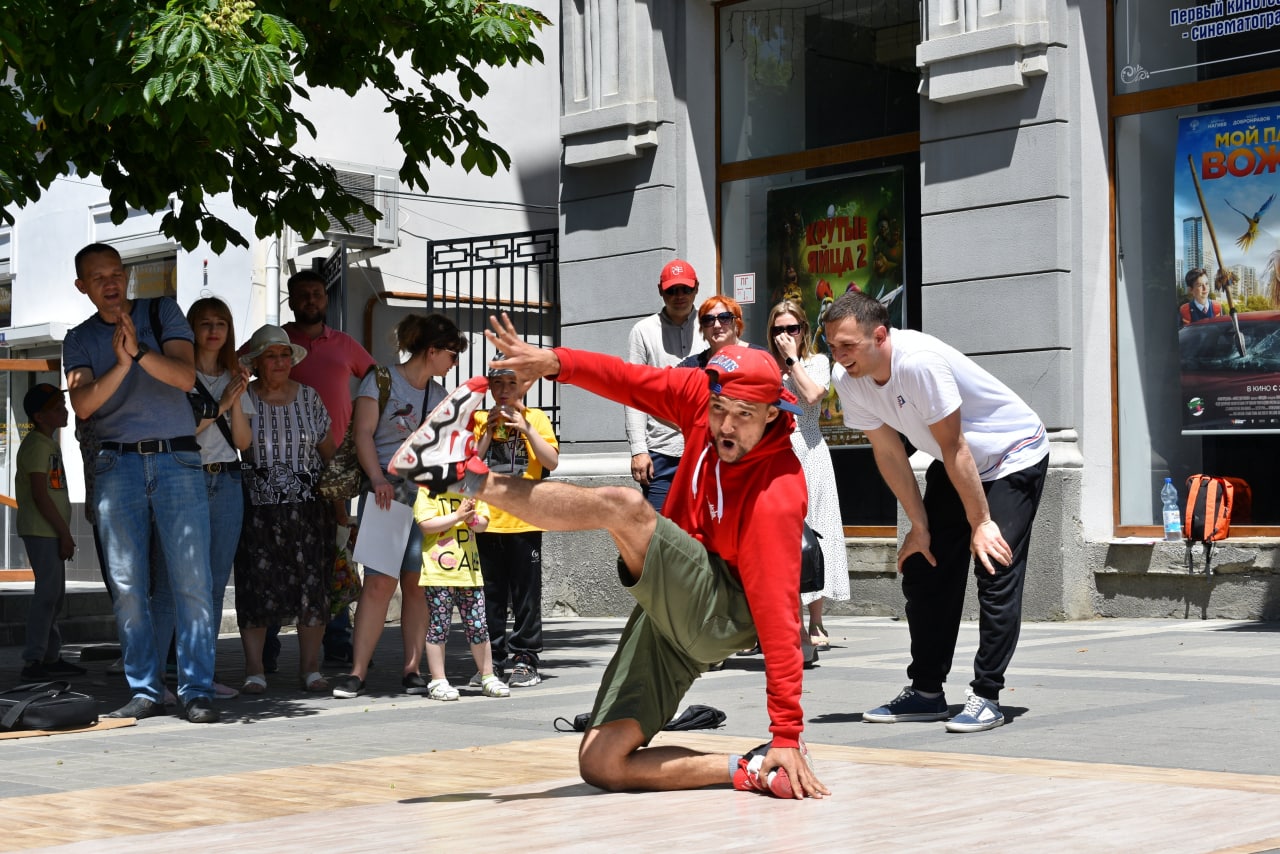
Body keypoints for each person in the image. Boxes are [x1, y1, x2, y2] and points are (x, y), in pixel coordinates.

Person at [388, 315, 829, 800]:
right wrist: (556, 362)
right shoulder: (700, 398)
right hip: (672, 612)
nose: (724, 425)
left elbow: (779, 615)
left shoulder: (777, 493)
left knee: (625, 507)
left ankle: (458, 478)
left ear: (772, 412)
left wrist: (788, 730)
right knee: (601, 763)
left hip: (722, 611)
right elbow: (629, 380)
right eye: (720, 408)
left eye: (743, 415)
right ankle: (746, 767)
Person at [823, 290, 1048, 733]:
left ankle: (986, 695)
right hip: (958, 464)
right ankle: (926, 692)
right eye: (832, 345)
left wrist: (981, 524)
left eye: (848, 345)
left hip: (1010, 454)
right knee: (925, 566)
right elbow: (889, 453)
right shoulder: (848, 379)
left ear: (880, 335)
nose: (839, 355)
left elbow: (954, 445)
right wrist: (919, 526)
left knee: (993, 565)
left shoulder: (918, 362)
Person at [64, 242, 219, 724]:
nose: (111, 284)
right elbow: (84, 404)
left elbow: (185, 375)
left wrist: (140, 352)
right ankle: (145, 689)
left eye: (116, 273)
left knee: (192, 579)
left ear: (126, 276)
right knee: (128, 584)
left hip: (176, 458)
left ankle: (196, 689)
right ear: (82, 286)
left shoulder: (161, 311)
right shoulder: (78, 338)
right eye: (98, 277)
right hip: (117, 466)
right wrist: (123, 365)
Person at [330, 314, 465, 699]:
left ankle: (412, 669)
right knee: (378, 584)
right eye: (452, 355)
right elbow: (363, 434)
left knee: (416, 584)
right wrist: (375, 480)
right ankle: (357, 672)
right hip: (386, 493)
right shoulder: (381, 380)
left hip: (424, 496)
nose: (454, 364)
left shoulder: (440, 396)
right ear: (433, 351)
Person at [151, 298, 252, 701]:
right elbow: (183, 432)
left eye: (221, 324)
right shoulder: (179, 375)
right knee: (167, 588)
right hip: (184, 479)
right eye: (205, 323)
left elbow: (243, 442)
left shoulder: (233, 374)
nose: (213, 331)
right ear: (190, 329)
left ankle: (201, 678)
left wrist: (237, 398)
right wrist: (223, 402)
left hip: (227, 480)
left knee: (211, 586)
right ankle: (153, 681)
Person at [279, 269, 377, 668]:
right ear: (291, 299)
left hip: (336, 468)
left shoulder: (345, 345)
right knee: (280, 555)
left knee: (336, 555)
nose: (310, 300)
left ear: (325, 299)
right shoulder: (276, 341)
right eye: (302, 294)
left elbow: (376, 382)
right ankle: (268, 647)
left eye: (317, 294)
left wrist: (365, 432)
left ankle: (338, 641)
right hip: (283, 468)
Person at [235, 324, 337, 695]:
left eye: (284, 355)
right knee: (255, 588)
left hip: (309, 510)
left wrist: (340, 507)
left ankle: (310, 668)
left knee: (313, 588)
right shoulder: (244, 397)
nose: (279, 362)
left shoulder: (310, 398)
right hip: (257, 509)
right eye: (271, 355)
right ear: (257, 363)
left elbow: (330, 455)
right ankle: (254, 669)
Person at [766, 301, 850, 649]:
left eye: (792, 329)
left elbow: (813, 397)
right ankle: (785, 622)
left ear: (803, 330)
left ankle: (816, 621)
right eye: (777, 330)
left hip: (810, 451)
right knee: (780, 539)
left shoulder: (816, 362)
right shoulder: (766, 366)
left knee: (816, 533)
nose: (785, 336)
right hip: (776, 454)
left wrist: (791, 360)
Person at [471, 361, 559, 687]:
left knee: (526, 596)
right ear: (490, 388)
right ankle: (491, 661)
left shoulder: (536, 417)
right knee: (489, 596)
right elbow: (470, 468)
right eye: (498, 384)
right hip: (487, 521)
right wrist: (486, 434)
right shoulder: (480, 419)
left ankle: (526, 658)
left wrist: (526, 429)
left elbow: (551, 460)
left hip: (524, 521)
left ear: (524, 386)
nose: (505, 390)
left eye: (512, 383)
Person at [15, 384, 86, 681]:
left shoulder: (48, 444)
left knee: (54, 596)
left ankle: (50, 656)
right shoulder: (35, 445)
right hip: (41, 530)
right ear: (39, 416)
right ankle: (34, 661)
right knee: (46, 596)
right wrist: (64, 533)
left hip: (51, 530)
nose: (64, 411)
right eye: (57, 408)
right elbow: (40, 495)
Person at [413, 489, 509, 701]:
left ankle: (488, 676)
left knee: (478, 625)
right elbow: (426, 525)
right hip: (439, 574)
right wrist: (457, 516)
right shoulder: (429, 489)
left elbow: (483, 524)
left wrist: (471, 517)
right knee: (439, 626)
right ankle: (438, 680)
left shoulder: (473, 491)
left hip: (469, 574)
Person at [625, 259, 706, 511]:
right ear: (661, 291)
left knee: (704, 529)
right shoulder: (643, 331)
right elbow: (633, 394)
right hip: (660, 451)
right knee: (660, 532)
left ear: (696, 289)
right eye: (671, 290)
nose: (678, 296)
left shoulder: (711, 325)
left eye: (685, 289)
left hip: (704, 449)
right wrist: (638, 449)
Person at [676, 295, 766, 370]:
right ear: (702, 328)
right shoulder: (691, 366)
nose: (717, 325)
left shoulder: (761, 358)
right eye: (708, 320)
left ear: (737, 323)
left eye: (724, 318)